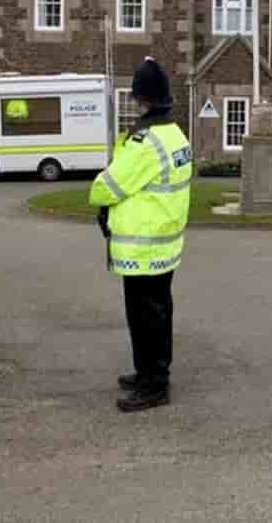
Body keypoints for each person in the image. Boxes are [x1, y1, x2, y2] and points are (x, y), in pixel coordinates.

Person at [89, 57, 192, 413]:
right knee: (159, 313)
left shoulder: (146, 143)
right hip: (164, 244)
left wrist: (99, 191)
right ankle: (150, 372)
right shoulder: (175, 135)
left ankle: (153, 385)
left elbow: (106, 188)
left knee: (145, 317)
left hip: (143, 249)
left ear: (143, 100)